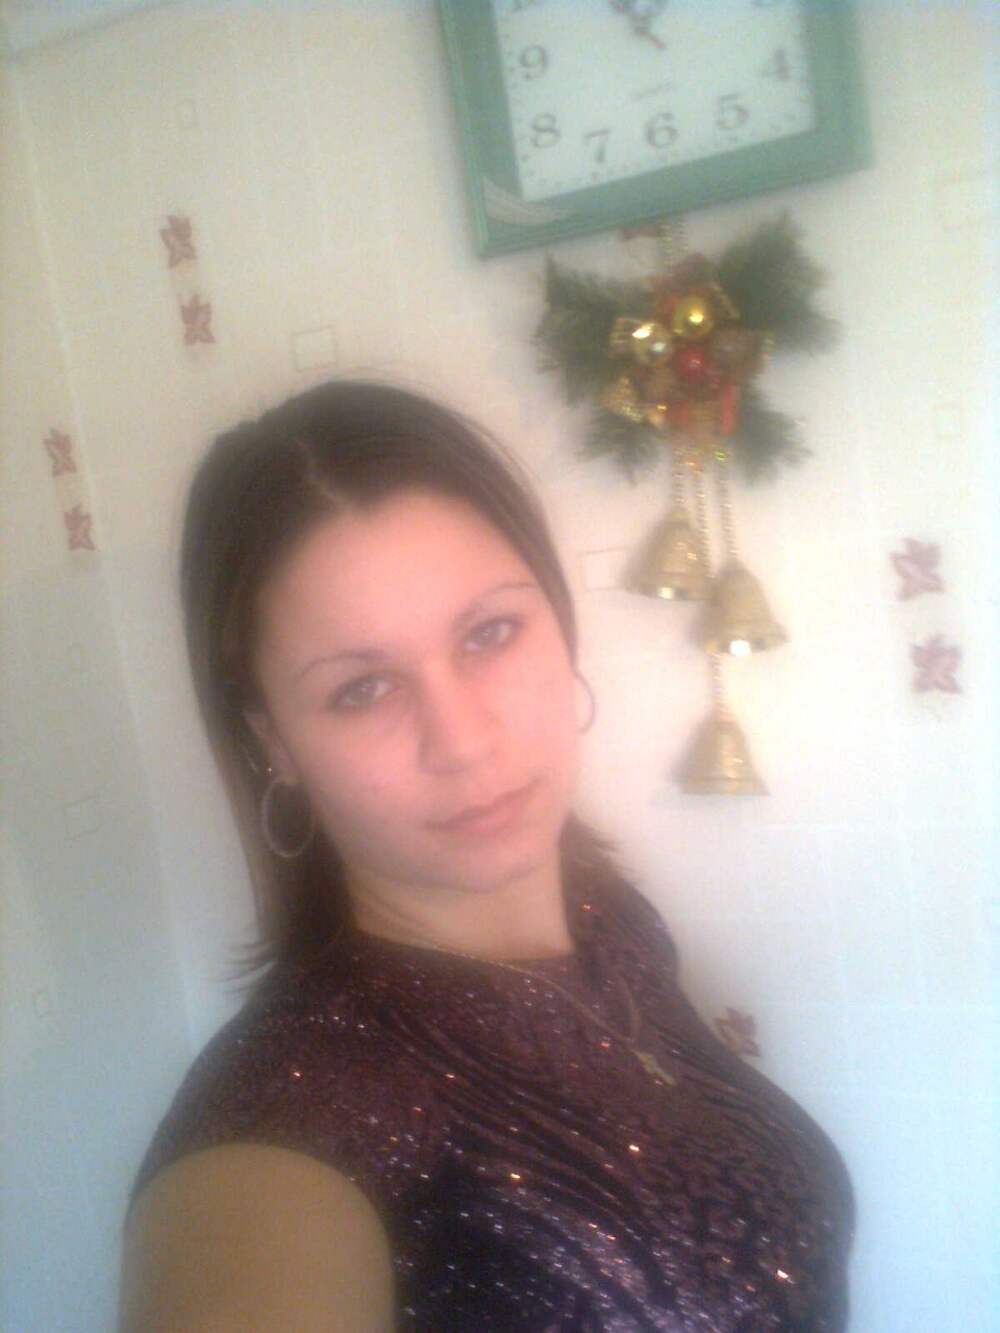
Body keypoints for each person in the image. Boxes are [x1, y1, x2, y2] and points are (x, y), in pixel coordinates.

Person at [118, 380, 855, 1331]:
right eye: (361, 689)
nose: (463, 741)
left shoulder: (614, 924)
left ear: (559, 624)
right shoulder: (284, 1118)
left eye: (491, 632)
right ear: (275, 741)